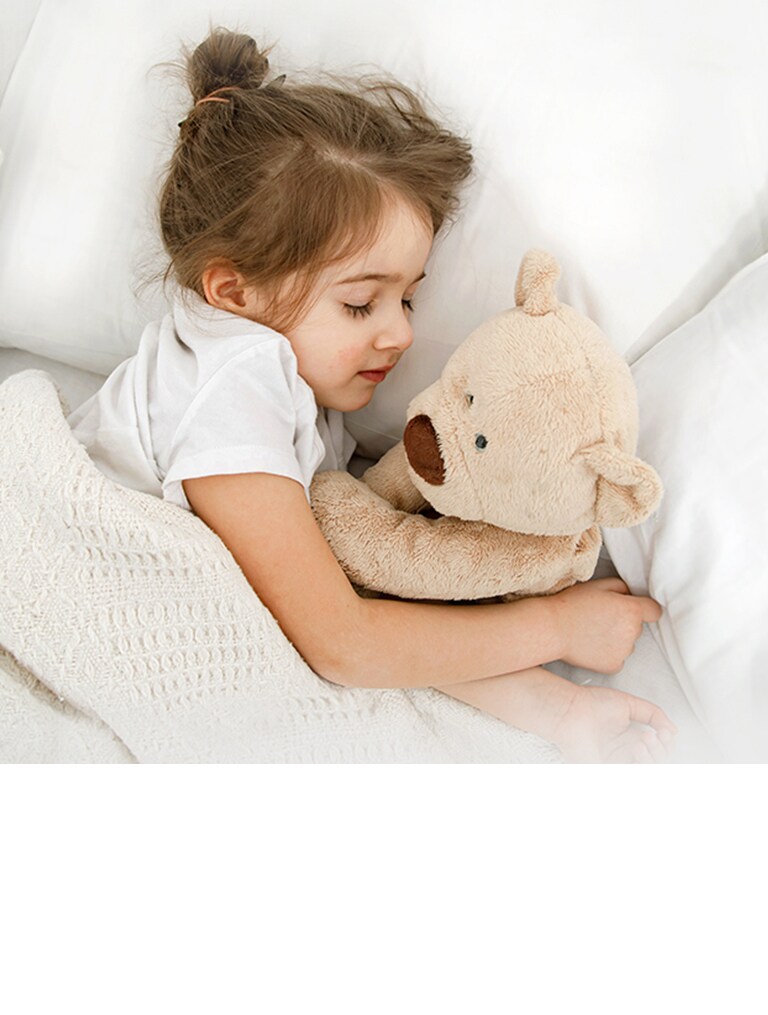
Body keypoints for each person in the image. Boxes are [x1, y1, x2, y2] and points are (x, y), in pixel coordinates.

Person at [69, 28, 676, 763]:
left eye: (409, 301)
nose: (399, 336)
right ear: (233, 291)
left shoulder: (294, 388)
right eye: (361, 305)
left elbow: (354, 605)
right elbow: (343, 643)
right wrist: (555, 628)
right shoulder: (232, 380)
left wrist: (565, 709)